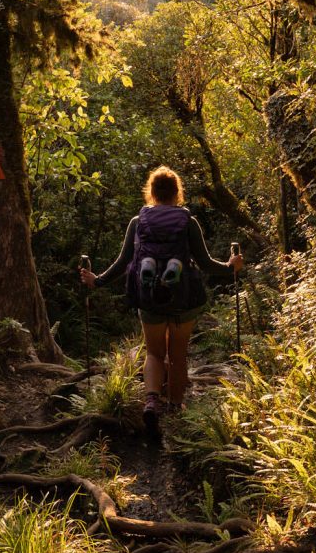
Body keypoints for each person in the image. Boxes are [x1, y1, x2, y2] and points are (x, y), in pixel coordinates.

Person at [80, 166, 243, 437]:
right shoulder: (188, 222)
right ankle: (176, 407)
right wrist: (231, 266)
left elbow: (122, 263)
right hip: (184, 299)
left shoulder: (138, 222)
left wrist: (96, 281)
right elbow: (205, 264)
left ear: (151, 192)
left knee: (154, 353)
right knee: (178, 355)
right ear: (177, 193)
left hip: (149, 300)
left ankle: (152, 400)